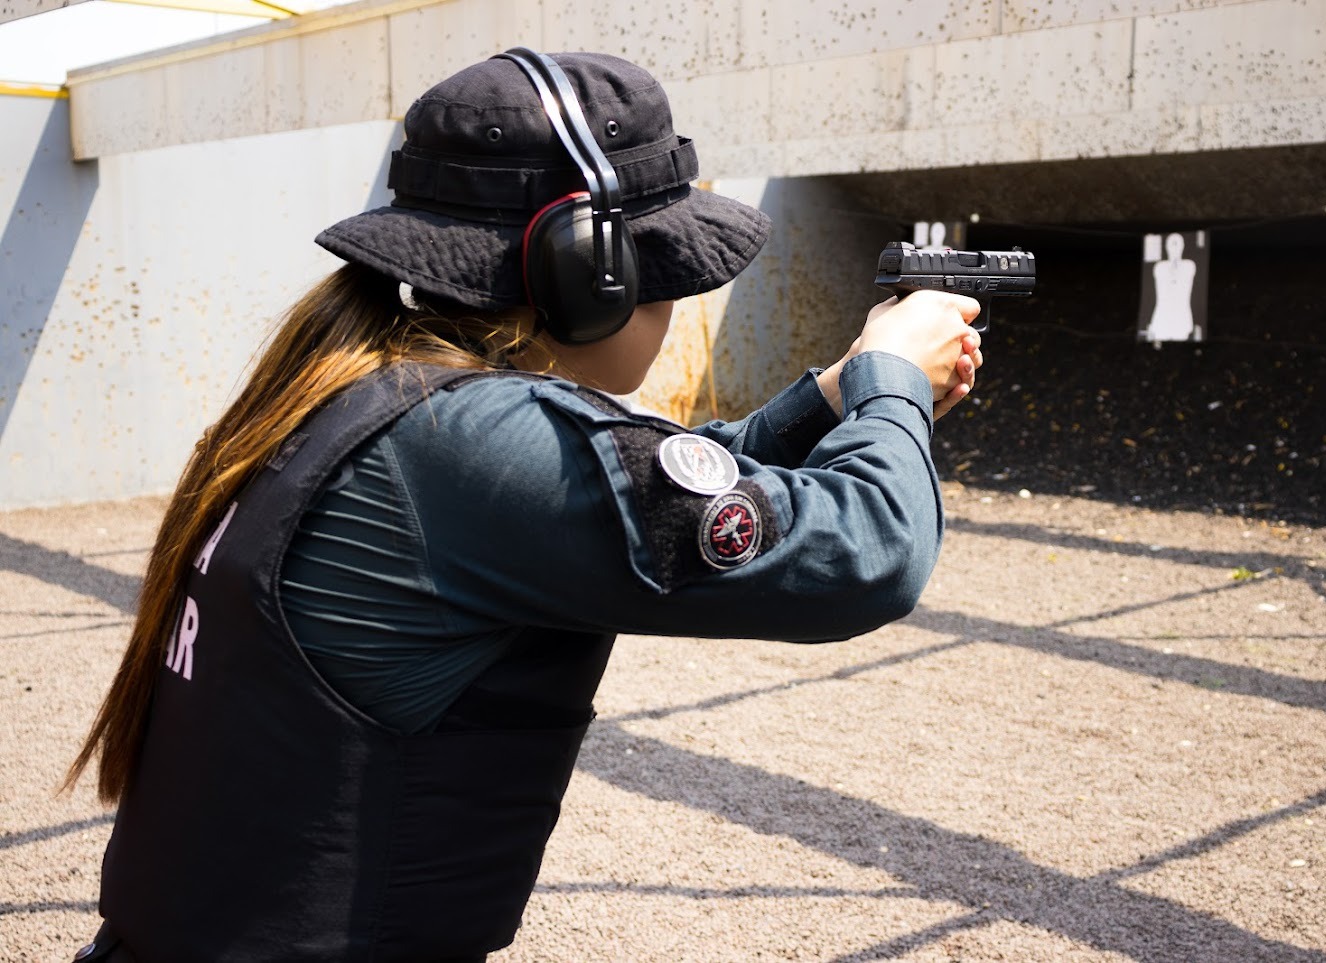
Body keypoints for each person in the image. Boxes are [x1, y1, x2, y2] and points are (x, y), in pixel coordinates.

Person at [64, 49, 983, 962]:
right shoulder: (472, 441)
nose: (674, 303)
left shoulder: (360, 395)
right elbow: (873, 552)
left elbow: (641, 486)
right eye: (662, 270)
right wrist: (893, 378)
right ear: (594, 274)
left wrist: (828, 400)